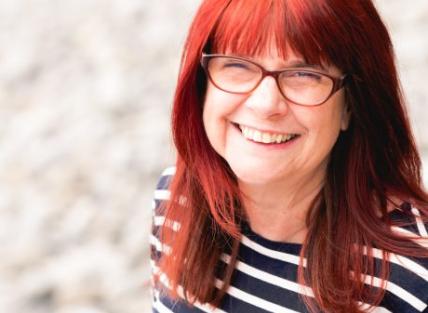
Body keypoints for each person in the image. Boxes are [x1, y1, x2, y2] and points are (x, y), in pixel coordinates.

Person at [150, 0, 428, 312]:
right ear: (201, 86)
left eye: (303, 74)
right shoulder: (176, 200)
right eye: (237, 65)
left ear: (351, 105)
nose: (266, 105)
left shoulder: (414, 276)